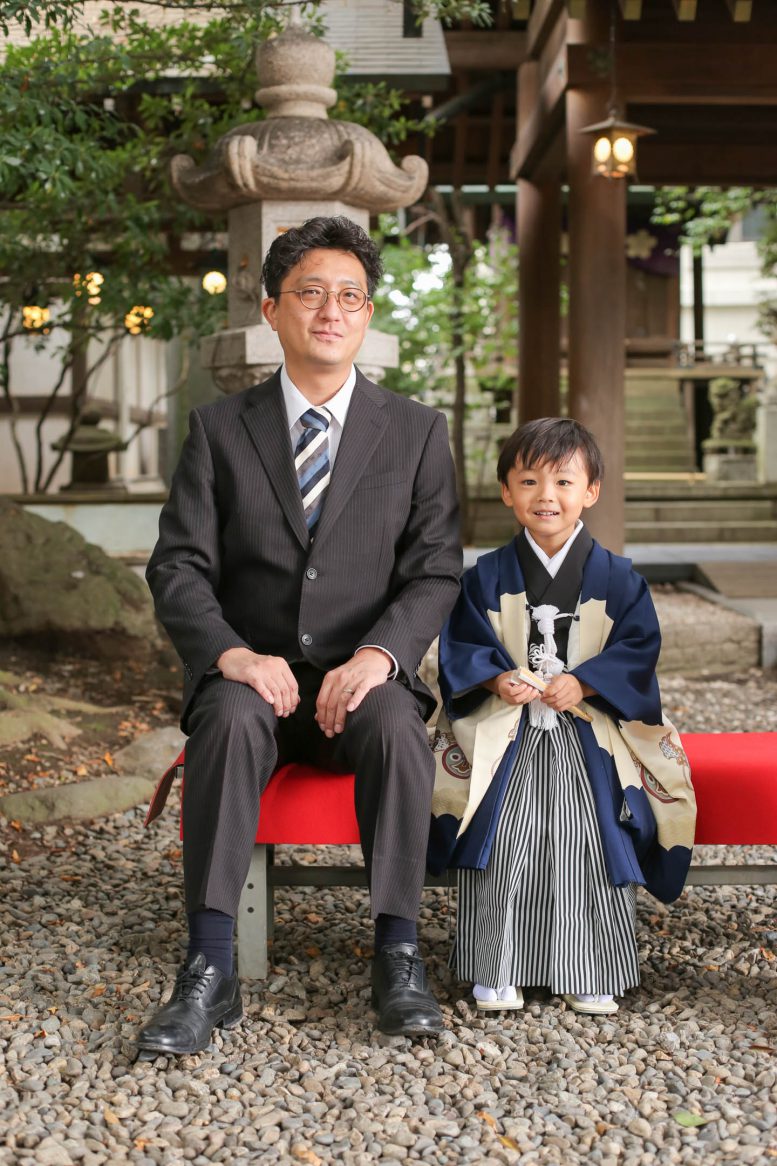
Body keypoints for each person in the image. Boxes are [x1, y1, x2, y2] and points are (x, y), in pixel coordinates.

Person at [138, 216, 461, 1054]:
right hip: (253, 675)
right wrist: (232, 656)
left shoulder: (417, 432)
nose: (330, 310)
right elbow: (177, 567)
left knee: (396, 723)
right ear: (272, 307)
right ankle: (208, 969)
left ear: (367, 314)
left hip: (359, 678)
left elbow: (433, 571)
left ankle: (397, 953)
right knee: (229, 719)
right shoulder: (218, 430)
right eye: (310, 293)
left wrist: (378, 655)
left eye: (349, 296)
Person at [431, 418, 696, 1016]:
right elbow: (462, 648)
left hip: (592, 733)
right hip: (507, 728)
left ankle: (588, 966)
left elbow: (637, 650)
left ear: (592, 490)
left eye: (563, 481)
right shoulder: (484, 577)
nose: (545, 496)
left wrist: (585, 683)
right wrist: (497, 678)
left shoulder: (620, 578)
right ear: (506, 492)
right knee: (503, 837)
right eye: (528, 481)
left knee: (586, 838)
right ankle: (495, 965)